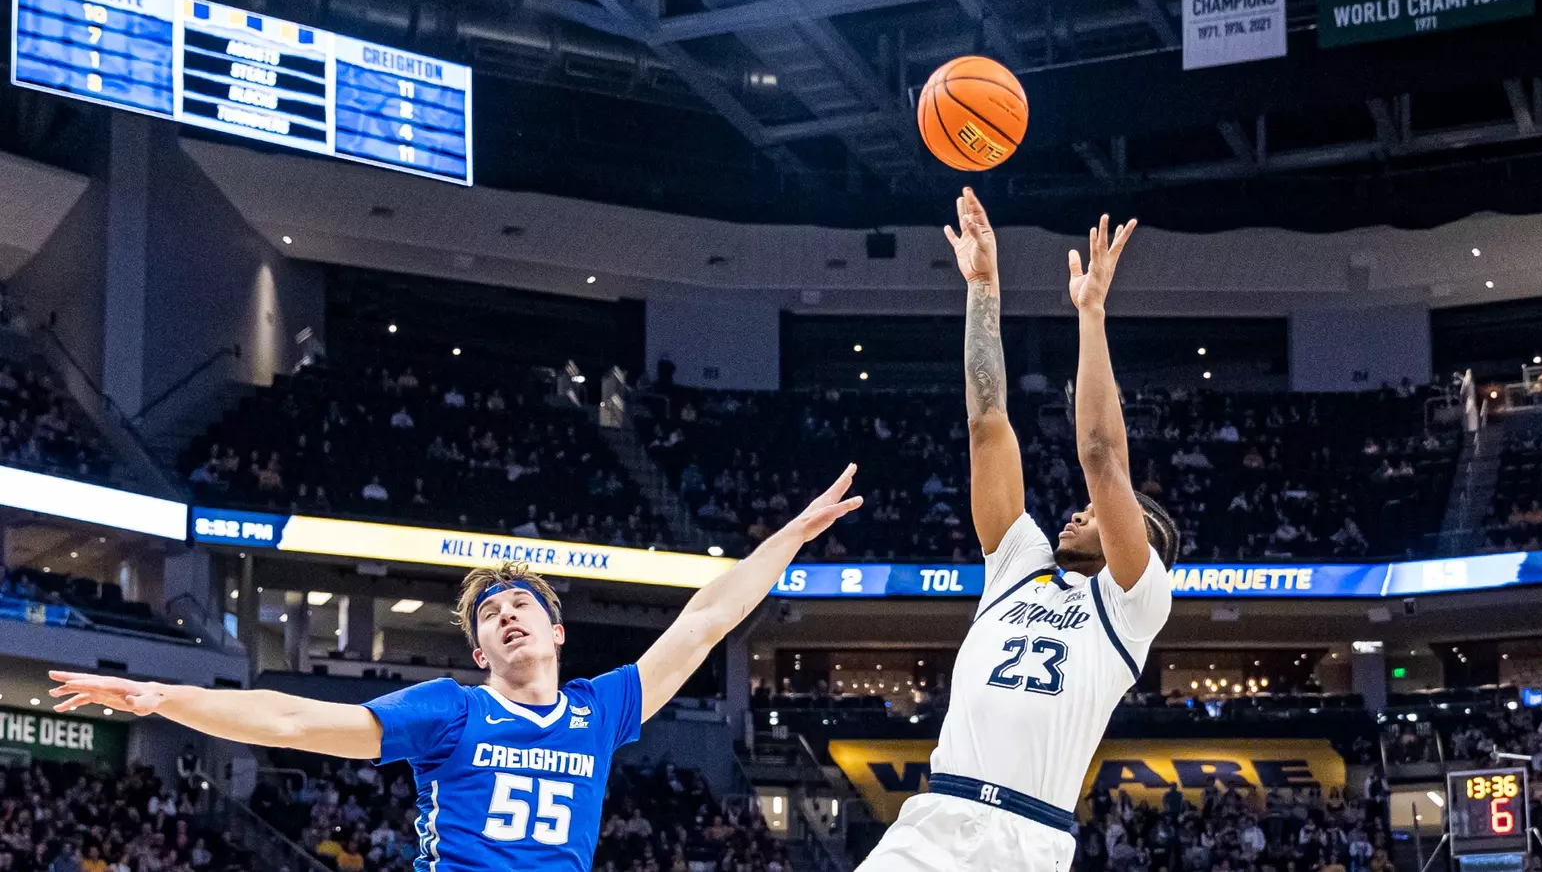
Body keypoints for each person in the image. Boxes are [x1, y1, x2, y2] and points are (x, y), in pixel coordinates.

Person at [46, 464, 864, 872]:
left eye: (519, 604)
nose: (506, 614)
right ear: (480, 654)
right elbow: (293, 719)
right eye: (490, 614)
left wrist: (788, 537)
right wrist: (167, 696)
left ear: (555, 631)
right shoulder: (451, 710)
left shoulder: (602, 708)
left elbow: (707, 619)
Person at [856, 189, 1176, 872]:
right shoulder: (1021, 565)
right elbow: (987, 423)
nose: (1080, 512)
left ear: (1144, 545)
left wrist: (1091, 315)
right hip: (933, 819)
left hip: (1024, 840)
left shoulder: (1134, 605)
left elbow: (1102, 456)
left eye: (1099, 513)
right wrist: (982, 287)